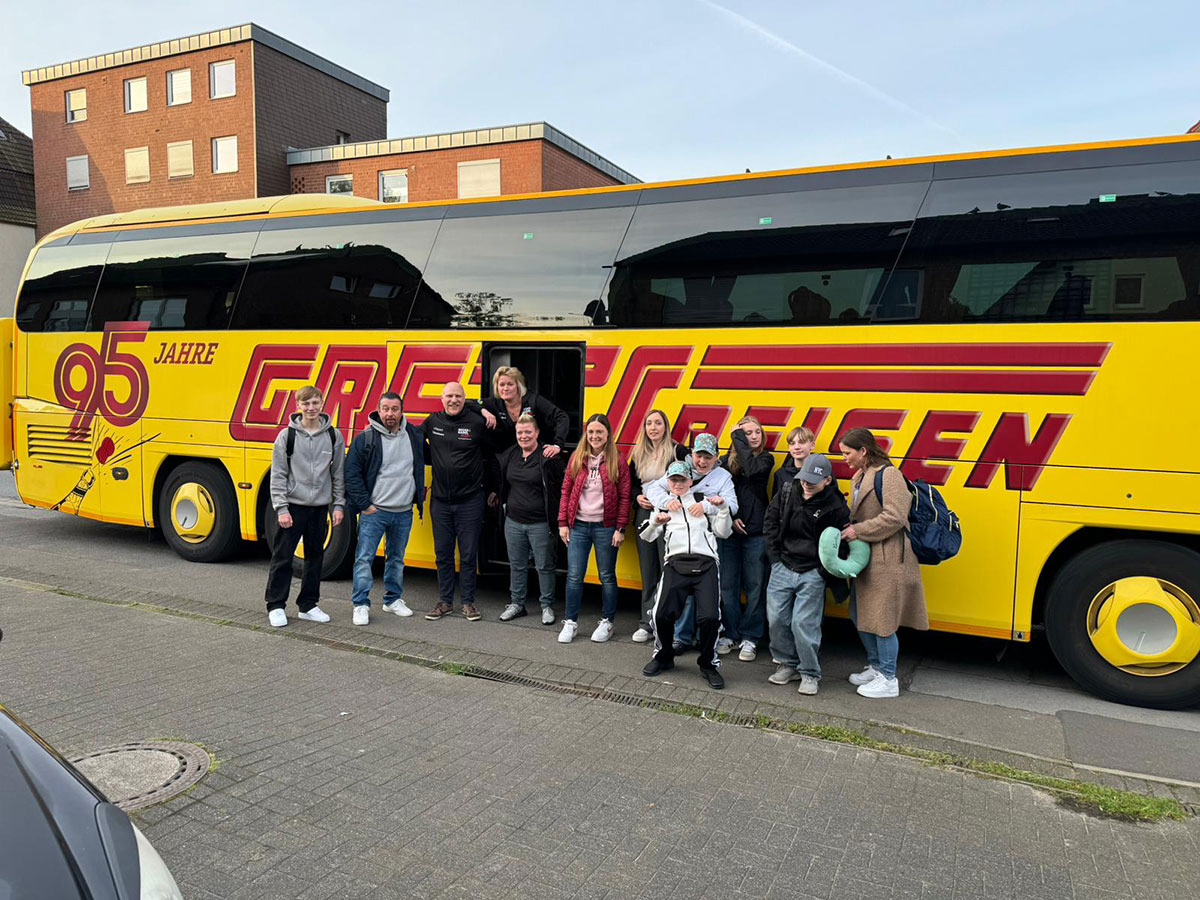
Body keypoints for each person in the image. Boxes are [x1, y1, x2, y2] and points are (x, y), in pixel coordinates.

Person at [838, 427, 928, 698]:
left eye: (847, 453)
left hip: (889, 557)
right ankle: (876, 666)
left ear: (863, 451)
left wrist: (859, 530)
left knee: (883, 620)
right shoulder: (860, 475)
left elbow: (895, 517)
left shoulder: (889, 475)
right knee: (860, 613)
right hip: (867, 557)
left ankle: (889, 678)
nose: (844, 459)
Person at [640, 460, 732, 690]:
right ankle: (664, 656)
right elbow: (647, 536)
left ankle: (708, 664)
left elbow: (724, 532)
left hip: (706, 564)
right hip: (675, 564)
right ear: (668, 482)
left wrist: (720, 509)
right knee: (660, 614)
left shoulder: (703, 500)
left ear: (690, 480)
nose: (678, 484)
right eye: (674, 480)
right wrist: (656, 520)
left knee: (710, 617)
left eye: (682, 479)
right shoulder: (663, 503)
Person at [763, 453, 850, 695]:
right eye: (804, 478)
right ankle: (786, 664)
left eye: (813, 480)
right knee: (777, 619)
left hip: (812, 571)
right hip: (783, 565)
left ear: (828, 480)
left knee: (804, 624)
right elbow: (770, 522)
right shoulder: (788, 490)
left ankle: (810, 673)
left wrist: (822, 570)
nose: (807, 483)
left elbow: (842, 542)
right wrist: (775, 559)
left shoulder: (836, 506)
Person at [644, 432, 738, 652]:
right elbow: (654, 489)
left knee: (711, 595)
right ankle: (681, 637)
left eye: (708, 457)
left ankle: (707, 642)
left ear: (716, 457)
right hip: (680, 542)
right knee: (683, 595)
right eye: (699, 456)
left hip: (709, 539)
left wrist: (706, 506)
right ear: (692, 453)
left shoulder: (723, 477)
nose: (702, 462)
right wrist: (667, 502)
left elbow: (731, 505)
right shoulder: (680, 469)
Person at [264, 385, 345, 627]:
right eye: (306, 403)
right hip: (293, 507)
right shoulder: (286, 436)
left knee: (315, 557)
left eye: (315, 403)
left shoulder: (333, 435)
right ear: (297, 406)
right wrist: (281, 508)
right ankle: (276, 605)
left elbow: (338, 473)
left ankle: (308, 605)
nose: (311, 408)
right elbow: (278, 475)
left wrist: (339, 504)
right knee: (283, 557)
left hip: (320, 508)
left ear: (322, 404)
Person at [343, 392, 425, 626]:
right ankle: (360, 604)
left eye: (395, 409)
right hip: (375, 512)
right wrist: (365, 506)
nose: (390, 414)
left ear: (402, 410)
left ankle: (392, 600)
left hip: (403, 511)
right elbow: (352, 473)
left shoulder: (414, 435)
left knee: (397, 559)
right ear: (378, 410)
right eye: (386, 409)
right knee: (364, 558)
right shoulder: (366, 438)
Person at [424, 381, 497, 622]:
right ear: (441, 399)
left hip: (470, 501)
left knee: (467, 555)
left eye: (457, 396)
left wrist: (493, 488)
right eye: (448, 396)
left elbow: (491, 456)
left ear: (464, 398)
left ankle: (468, 602)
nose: (453, 400)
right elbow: (410, 440)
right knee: (442, 554)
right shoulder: (432, 422)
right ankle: (445, 602)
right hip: (440, 502)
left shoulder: (477, 423)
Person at [557, 413, 630, 644]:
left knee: (607, 576)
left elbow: (625, 496)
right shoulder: (578, 458)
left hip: (605, 527)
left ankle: (607, 621)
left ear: (608, 433)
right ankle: (571, 622)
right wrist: (562, 523)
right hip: (577, 525)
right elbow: (566, 490)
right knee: (574, 576)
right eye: (591, 432)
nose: (595, 436)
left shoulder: (617, 460)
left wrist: (620, 528)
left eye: (599, 431)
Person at [495, 414, 564, 625]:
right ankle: (517, 604)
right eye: (520, 432)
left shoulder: (548, 457)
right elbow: (502, 481)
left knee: (544, 566)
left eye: (528, 432)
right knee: (517, 565)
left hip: (541, 523)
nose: (523, 436)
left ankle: (546, 606)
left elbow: (561, 488)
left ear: (537, 433)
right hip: (513, 521)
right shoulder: (510, 454)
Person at [627, 409, 688, 643]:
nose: (653, 427)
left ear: (666, 427)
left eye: (658, 423)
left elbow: (689, 475)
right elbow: (631, 485)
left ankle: (668, 622)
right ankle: (646, 622)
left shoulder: (676, 451)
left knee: (668, 571)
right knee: (648, 570)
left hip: (668, 515)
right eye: (649, 423)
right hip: (644, 513)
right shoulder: (639, 452)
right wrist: (636, 498)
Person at [717, 416, 773, 661]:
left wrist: (736, 436)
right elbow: (719, 493)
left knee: (755, 587)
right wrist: (733, 516)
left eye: (756, 432)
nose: (753, 436)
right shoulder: (723, 463)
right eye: (746, 433)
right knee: (727, 586)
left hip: (756, 532)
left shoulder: (765, 459)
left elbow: (750, 470)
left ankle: (750, 637)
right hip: (730, 530)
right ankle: (730, 633)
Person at [480, 366, 569, 457]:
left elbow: (562, 417)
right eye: (502, 385)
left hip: (536, 455)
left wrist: (557, 445)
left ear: (518, 386)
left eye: (510, 384)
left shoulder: (533, 400)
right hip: (506, 457)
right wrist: (482, 410)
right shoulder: (493, 403)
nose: (505, 388)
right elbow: (468, 403)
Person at [772, 426, 816, 497]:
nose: (796, 447)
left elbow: (834, 503)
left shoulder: (823, 471)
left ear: (812, 445)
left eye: (802, 442)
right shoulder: (781, 474)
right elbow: (776, 505)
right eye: (792, 443)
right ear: (788, 448)